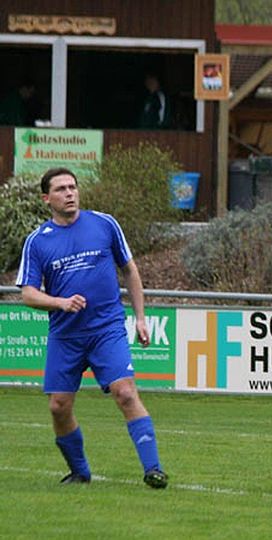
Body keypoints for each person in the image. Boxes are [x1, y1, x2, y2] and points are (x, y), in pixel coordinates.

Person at [15, 167, 167, 488]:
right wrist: (60, 302)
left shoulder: (104, 223)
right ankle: (80, 472)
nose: (69, 193)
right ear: (47, 198)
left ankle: (153, 469)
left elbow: (130, 269)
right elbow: (27, 293)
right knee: (59, 406)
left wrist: (140, 317)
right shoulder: (38, 242)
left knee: (125, 392)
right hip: (66, 335)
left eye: (73, 187)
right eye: (60, 189)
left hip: (106, 329)